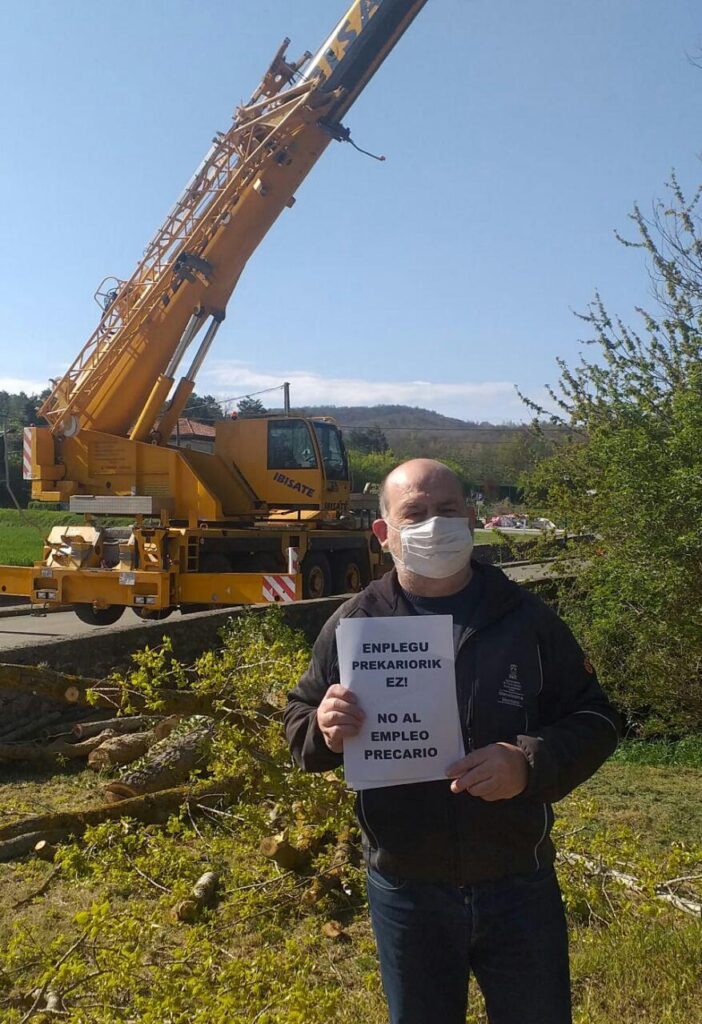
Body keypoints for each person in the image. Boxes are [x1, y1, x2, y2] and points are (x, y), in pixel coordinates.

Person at [284, 459, 620, 1024]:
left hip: (518, 884)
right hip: (406, 891)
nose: (434, 525)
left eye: (447, 510)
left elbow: (598, 719)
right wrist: (322, 727)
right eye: (414, 513)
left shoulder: (526, 618)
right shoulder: (354, 623)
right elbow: (298, 721)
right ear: (383, 532)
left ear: (470, 518)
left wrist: (527, 763)